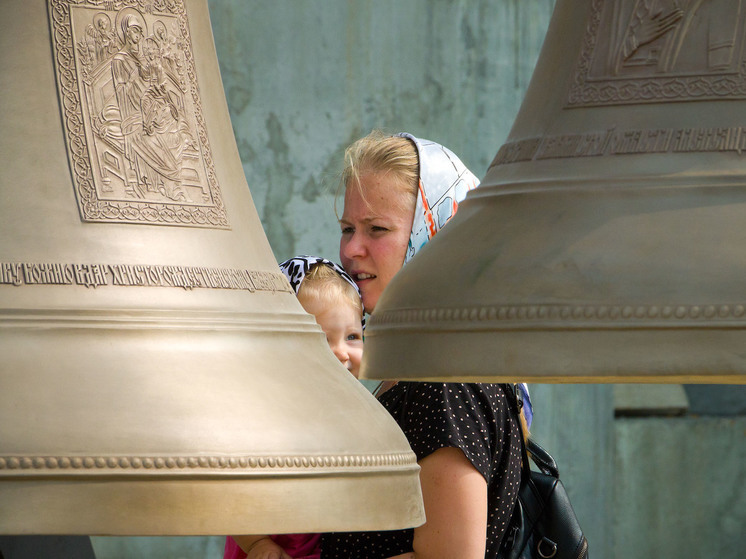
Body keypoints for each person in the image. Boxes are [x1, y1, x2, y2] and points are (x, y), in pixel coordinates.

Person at [322, 130, 531, 558]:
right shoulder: (440, 366)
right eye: (347, 228)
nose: (351, 249)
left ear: (437, 234)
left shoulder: (444, 386)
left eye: (376, 229)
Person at [224, 256, 365, 559]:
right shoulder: (262, 419)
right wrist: (257, 543)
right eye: (322, 339)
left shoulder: (360, 418)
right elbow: (229, 491)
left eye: (353, 336)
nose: (342, 352)